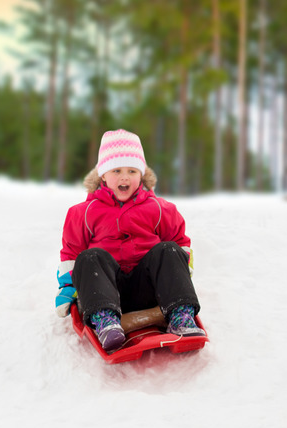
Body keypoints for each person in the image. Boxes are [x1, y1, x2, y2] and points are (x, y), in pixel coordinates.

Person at [54, 129, 204, 351]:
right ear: (103, 175)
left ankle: (180, 315)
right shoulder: (83, 213)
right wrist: (67, 288)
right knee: (89, 256)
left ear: (141, 175)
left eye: (132, 171)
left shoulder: (160, 209)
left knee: (169, 249)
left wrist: (178, 276)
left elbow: (180, 242)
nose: (124, 177)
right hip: (104, 289)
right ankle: (106, 322)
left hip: (149, 289)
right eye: (116, 170)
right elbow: (71, 254)